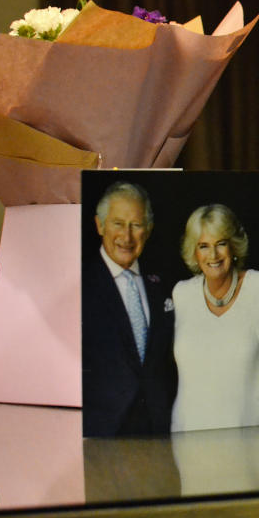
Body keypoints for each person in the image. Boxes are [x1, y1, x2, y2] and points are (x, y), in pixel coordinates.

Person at [82, 181, 176, 437]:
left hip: (159, 433)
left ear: (148, 229)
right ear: (100, 225)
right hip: (99, 436)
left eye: (136, 225)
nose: (127, 236)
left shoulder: (163, 285)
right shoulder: (79, 284)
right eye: (118, 224)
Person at [170, 204, 259, 432]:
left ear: (234, 246)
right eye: (203, 246)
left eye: (221, 244)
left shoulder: (257, 287)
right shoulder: (181, 294)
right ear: (194, 251)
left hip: (246, 439)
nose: (213, 255)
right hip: (188, 437)